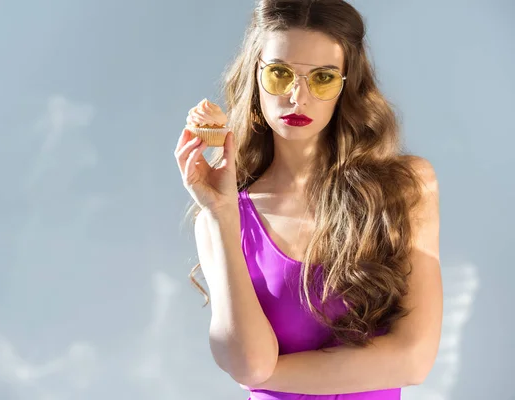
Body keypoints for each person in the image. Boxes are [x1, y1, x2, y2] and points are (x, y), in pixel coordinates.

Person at [173, 0, 442, 399]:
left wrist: (266, 375)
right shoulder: (221, 217)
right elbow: (248, 362)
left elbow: (413, 360)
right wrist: (220, 214)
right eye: (280, 74)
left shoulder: (405, 187)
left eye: (322, 78)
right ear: (255, 78)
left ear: (346, 86)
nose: (298, 96)